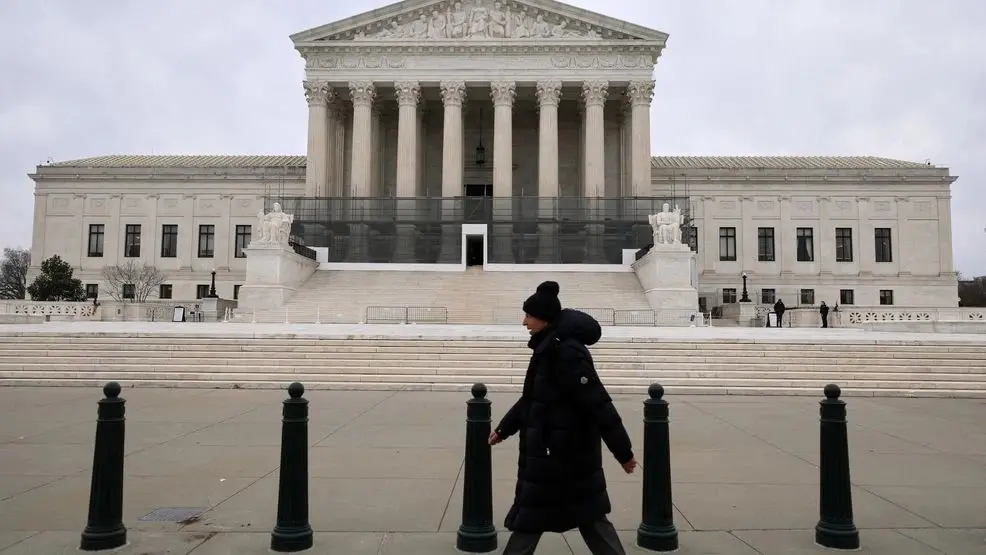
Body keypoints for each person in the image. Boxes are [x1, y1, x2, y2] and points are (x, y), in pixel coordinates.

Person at [489, 281, 637, 555]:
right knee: (581, 517)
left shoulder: (565, 352)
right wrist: (504, 428)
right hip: (554, 452)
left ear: (544, 318)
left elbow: (599, 404)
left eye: (529, 316)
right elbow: (533, 399)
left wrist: (624, 453)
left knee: (552, 517)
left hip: (564, 454)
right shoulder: (548, 347)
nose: (524, 322)